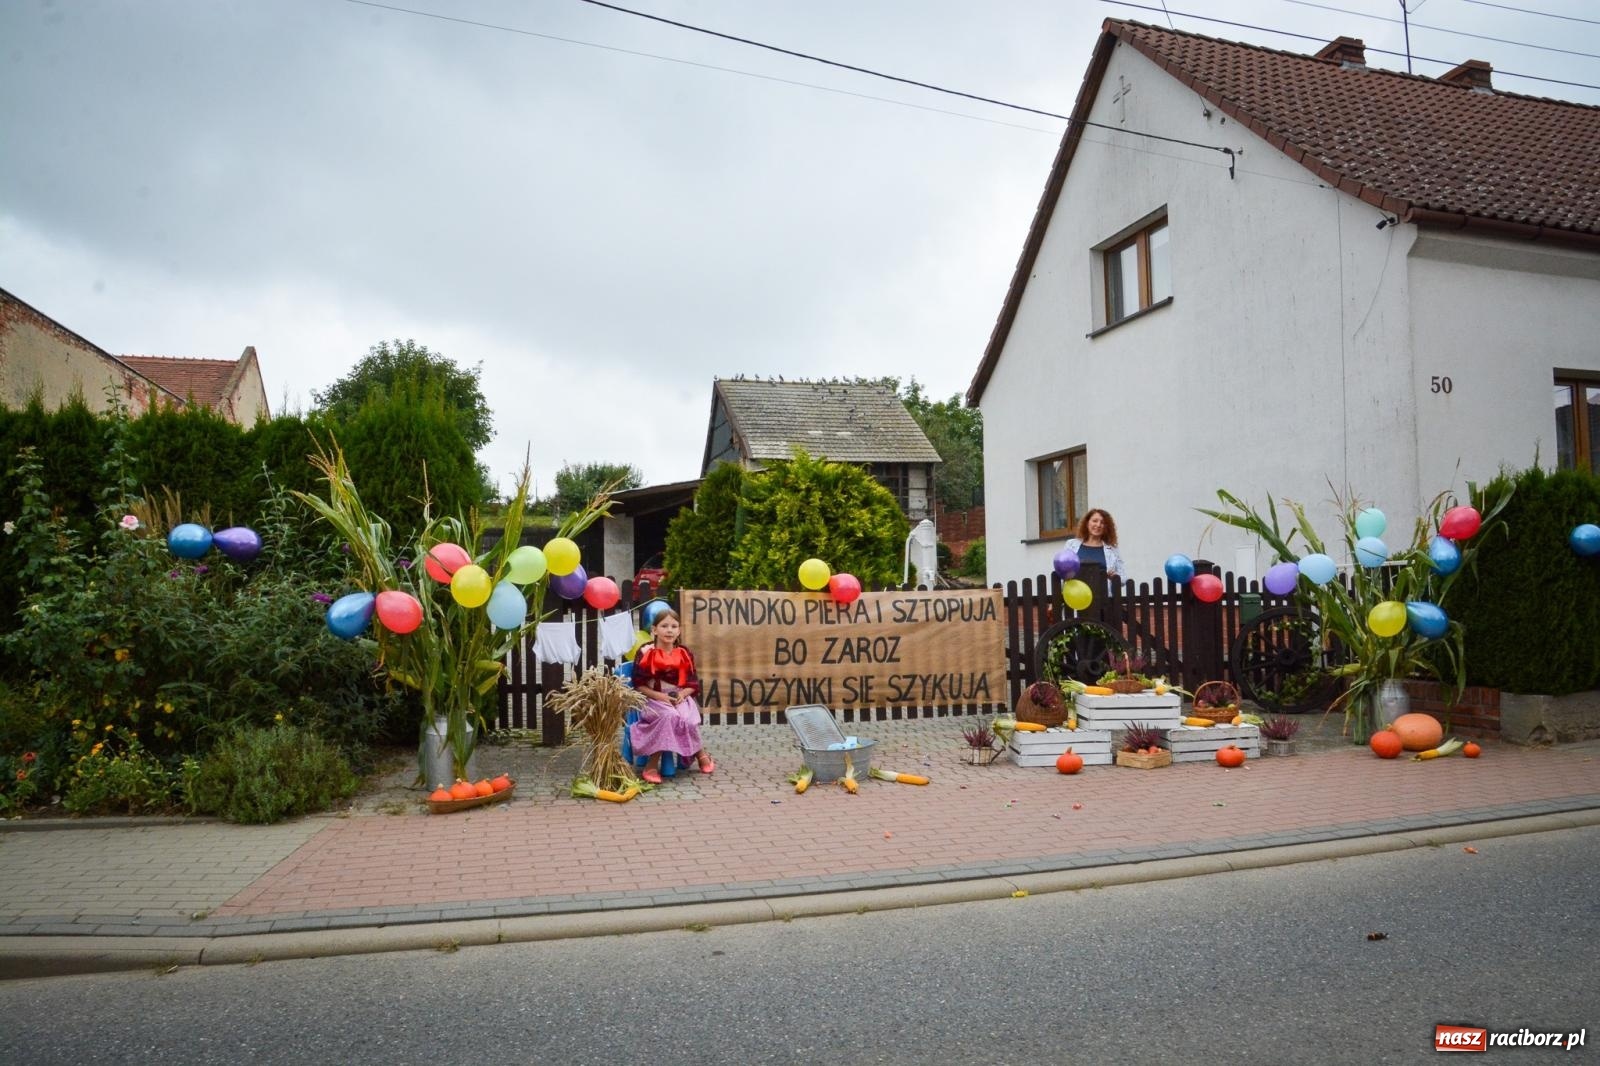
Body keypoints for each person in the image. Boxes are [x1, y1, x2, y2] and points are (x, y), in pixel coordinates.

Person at [627, 608, 714, 784]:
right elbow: (639, 685)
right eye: (664, 626)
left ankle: (699, 754)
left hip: (679, 697)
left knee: (686, 718)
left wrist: (682, 694)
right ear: (654, 630)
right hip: (654, 699)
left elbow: (692, 683)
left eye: (674, 626)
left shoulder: (683, 652)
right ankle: (651, 765)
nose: (669, 630)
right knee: (669, 716)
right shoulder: (645, 652)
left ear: (679, 630)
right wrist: (660, 696)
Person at [1065, 508, 1126, 583]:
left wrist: (1115, 577)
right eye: (1095, 521)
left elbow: (1123, 578)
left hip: (1103, 594)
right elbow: (1063, 569)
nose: (1098, 525)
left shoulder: (1112, 549)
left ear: (1106, 527)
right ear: (1087, 523)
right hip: (1076, 593)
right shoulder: (1071, 545)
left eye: (1102, 522)